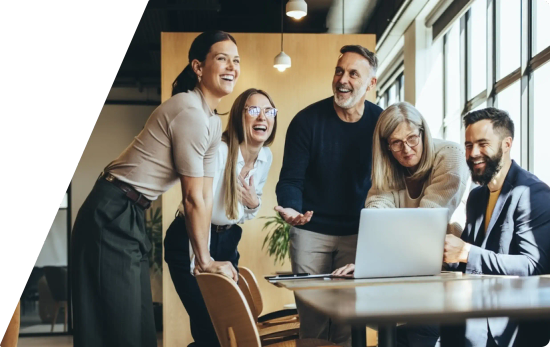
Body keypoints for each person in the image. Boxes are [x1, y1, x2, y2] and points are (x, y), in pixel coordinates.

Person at [70, 30, 240, 347]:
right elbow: (191, 198)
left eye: (236, 60)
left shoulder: (212, 121)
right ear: (198, 67)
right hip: (111, 210)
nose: (231, 66)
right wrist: (203, 260)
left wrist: (204, 260)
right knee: (119, 326)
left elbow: (204, 194)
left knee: (138, 325)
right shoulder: (189, 111)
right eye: (221, 58)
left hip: (131, 210)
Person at [332, 101, 470, 347]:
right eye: (396, 143)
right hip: (403, 271)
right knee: (396, 338)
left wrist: (376, 260)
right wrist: (367, 262)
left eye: (412, 139)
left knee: (419, 336)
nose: (406, 149)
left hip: (440, 269)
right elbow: (376, 214)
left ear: (423, 132)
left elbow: (427, 221)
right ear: (386, 146)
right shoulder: (388, 169)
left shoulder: (451, 156)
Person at [275, 44, 383, 347]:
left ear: (371, 84)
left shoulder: (381, 123)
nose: (342, 79)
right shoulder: (306, 121)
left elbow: (391, 181)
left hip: (358, 233)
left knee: (348, 323)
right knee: (313, 321)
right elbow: (291, 180)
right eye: (339, 71)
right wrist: (292, 209)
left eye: (352, 73)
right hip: (311, 232)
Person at [164, 88, 277, 347]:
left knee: (228, 329)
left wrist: (254, 202)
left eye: (269, 111)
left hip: (227, 241)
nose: (263, 117)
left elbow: (245, 213)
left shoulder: (265, 157)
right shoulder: (221, 152)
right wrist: (201, 261)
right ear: (239, 116)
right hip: (190, 238)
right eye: (253, 110)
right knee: (210, 328)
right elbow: (199, 206)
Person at [442, 107, 550, 347]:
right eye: (469, 145)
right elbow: (466, 258)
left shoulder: (532, 193)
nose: (473, 153)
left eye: (482, 143)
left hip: (514, 324)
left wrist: (466, 252)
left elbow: (533, 266)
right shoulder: (477, 197)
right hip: (477, 309)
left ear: (506, 144)